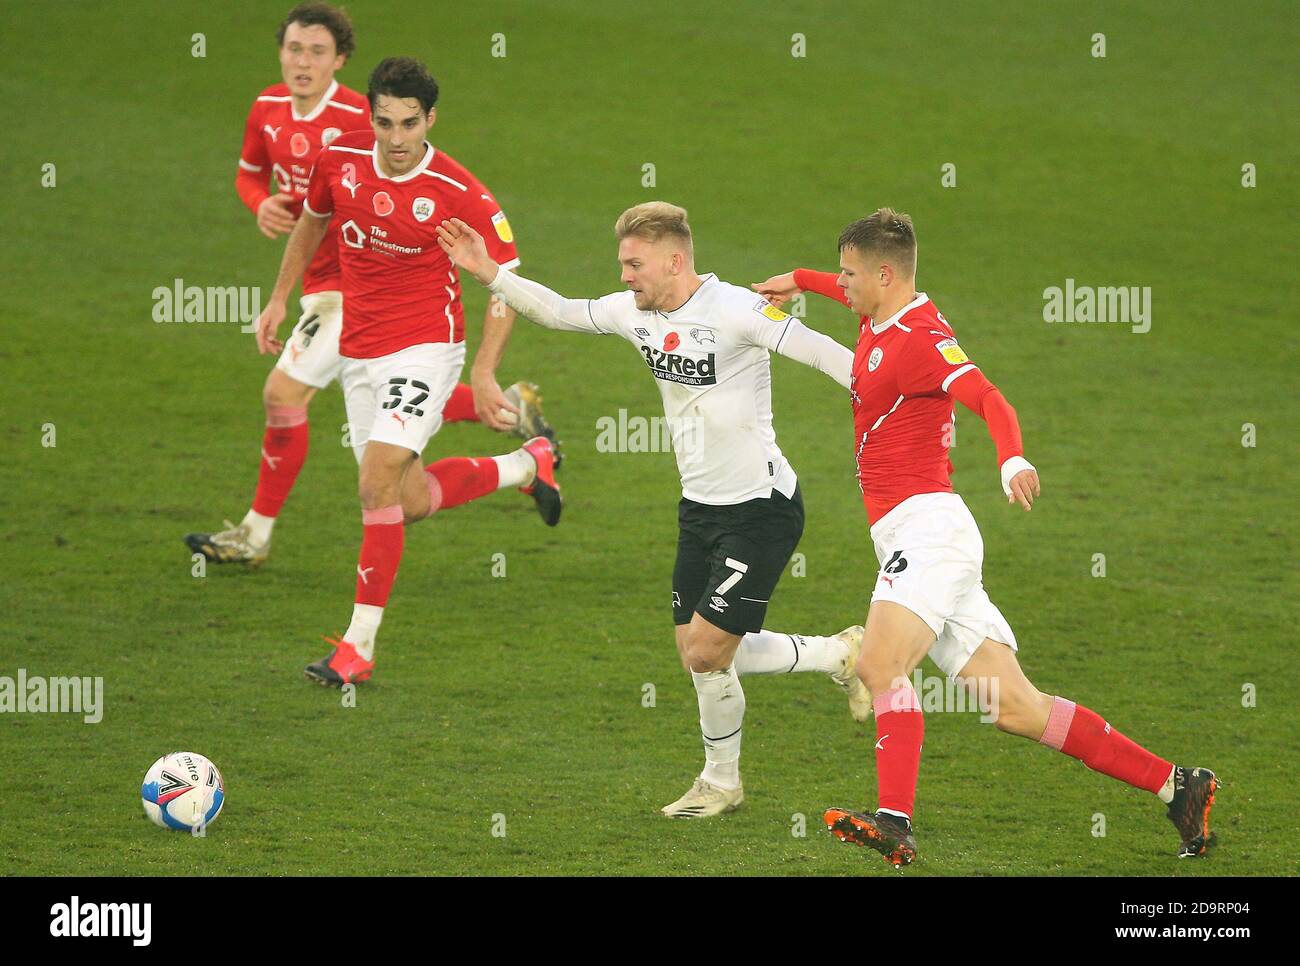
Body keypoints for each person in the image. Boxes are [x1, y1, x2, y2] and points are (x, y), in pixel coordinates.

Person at [753, 208, 1217, 865]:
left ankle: (894, 821)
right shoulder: (877, 312)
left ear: (886, 275)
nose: (843, 282)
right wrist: (799, 280)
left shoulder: (920, 338)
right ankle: (1178, 786)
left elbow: (990, 398)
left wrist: (1012, 458)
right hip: (920, 539)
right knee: (1017, 708)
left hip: (931, 533)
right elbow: (836, 286)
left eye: (851, 274)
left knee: (880, 666)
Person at [438, 202, 872, 818]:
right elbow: (559, 312)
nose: (623, 277)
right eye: (622, 264)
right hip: (699, 509)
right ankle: (828, 668)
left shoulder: (737, 311)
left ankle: (729, 771)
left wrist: (898, 393)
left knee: (705, 649)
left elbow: (826, 354)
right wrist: (488, 272)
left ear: (675, 260)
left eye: (634, 264)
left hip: (760, 506)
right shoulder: (633, 312)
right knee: (701, 652)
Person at [185, 3, 554, 568]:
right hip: (326, 291)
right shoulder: (267, 108)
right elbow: (260, 183)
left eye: (317, 52)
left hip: (356, 293)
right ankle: (515, 434)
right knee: (400, 492)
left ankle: (264, 542)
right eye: (294, 49)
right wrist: (263, 215)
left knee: (284, 397)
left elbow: (465, 245)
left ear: (341, 60)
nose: (302, 62)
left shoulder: (365, 123)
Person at [252, 56, 562, 686]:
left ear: (431, 119)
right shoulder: (340, 161)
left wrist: (482, 371)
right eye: (384, 122)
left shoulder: (459, 192)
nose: (396, 139)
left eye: (409, 124)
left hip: (427, 347)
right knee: (408, 500)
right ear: (370, 115)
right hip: (359, 352)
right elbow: (313, 221)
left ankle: (357, 647)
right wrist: (281, 296)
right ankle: (529, 464)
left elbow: (506, 285)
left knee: (374, 484)